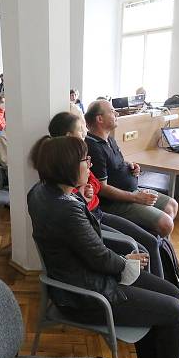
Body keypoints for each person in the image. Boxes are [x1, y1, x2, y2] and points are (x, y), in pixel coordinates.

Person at [26, 136, 179, 358]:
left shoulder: (41, 192)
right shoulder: (66, 207)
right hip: (89, 295)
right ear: (66, 167)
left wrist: (81, 199)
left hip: (82, 280)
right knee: (177, 312)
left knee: (172, 292)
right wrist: (128, 263)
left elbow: (80, 243)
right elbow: (98, 257)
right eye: (85, 160)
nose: (90, 164)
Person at [48, 111, 162, 277]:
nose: (85, 133)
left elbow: (95, 183)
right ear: (69, 136)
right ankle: (153, 287)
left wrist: (87, 187)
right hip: (93, 217)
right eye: (81, 130)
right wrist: (83, 194)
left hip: (97, 213)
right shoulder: (65, 170)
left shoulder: (82, 156)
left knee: (150, 241)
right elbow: (78, 211)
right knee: (144, 246)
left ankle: (160, 286)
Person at [84, 99, 178, 237]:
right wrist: (135, 198)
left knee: (172, 205)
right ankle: (150, 244)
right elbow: (102, 188)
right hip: (115, 203)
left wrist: (130, 166)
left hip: (131, 191)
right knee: (166, 224)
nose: (116, 113)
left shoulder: (109, 139)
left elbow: (114, 164)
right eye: (111, 111)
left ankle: (158, 245)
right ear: (100, 119)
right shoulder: (93, 147)